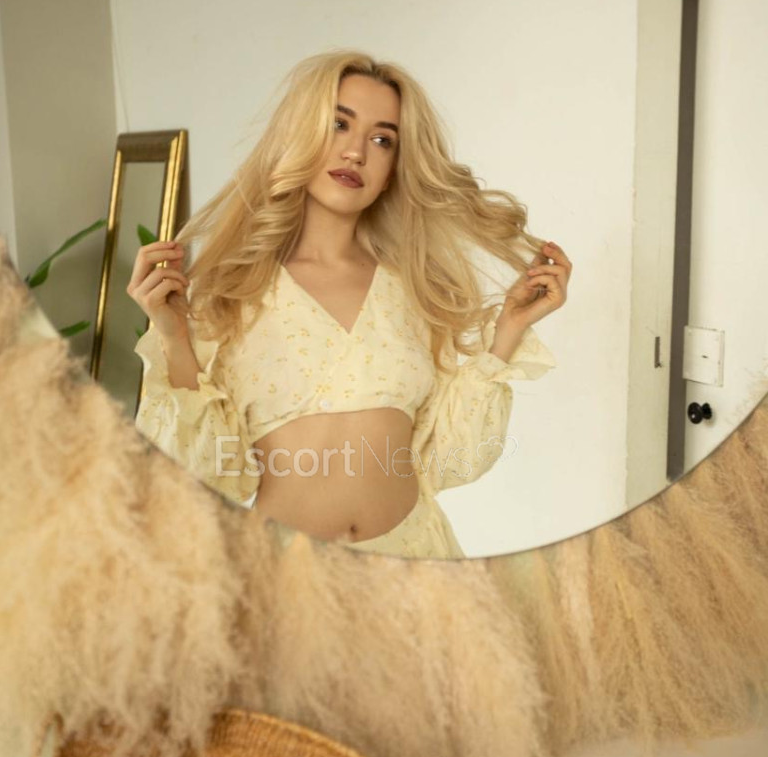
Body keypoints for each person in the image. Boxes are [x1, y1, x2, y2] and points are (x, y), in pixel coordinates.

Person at [128, 49, 569, 560]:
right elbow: (205, 472)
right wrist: (173, 337)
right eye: (339, 125)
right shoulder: (231, 292)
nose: (356, 152)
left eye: (382, 140)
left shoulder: (417, 292)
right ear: (301, 134)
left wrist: (508, 331)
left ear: (395, 169)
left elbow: (451, 458)